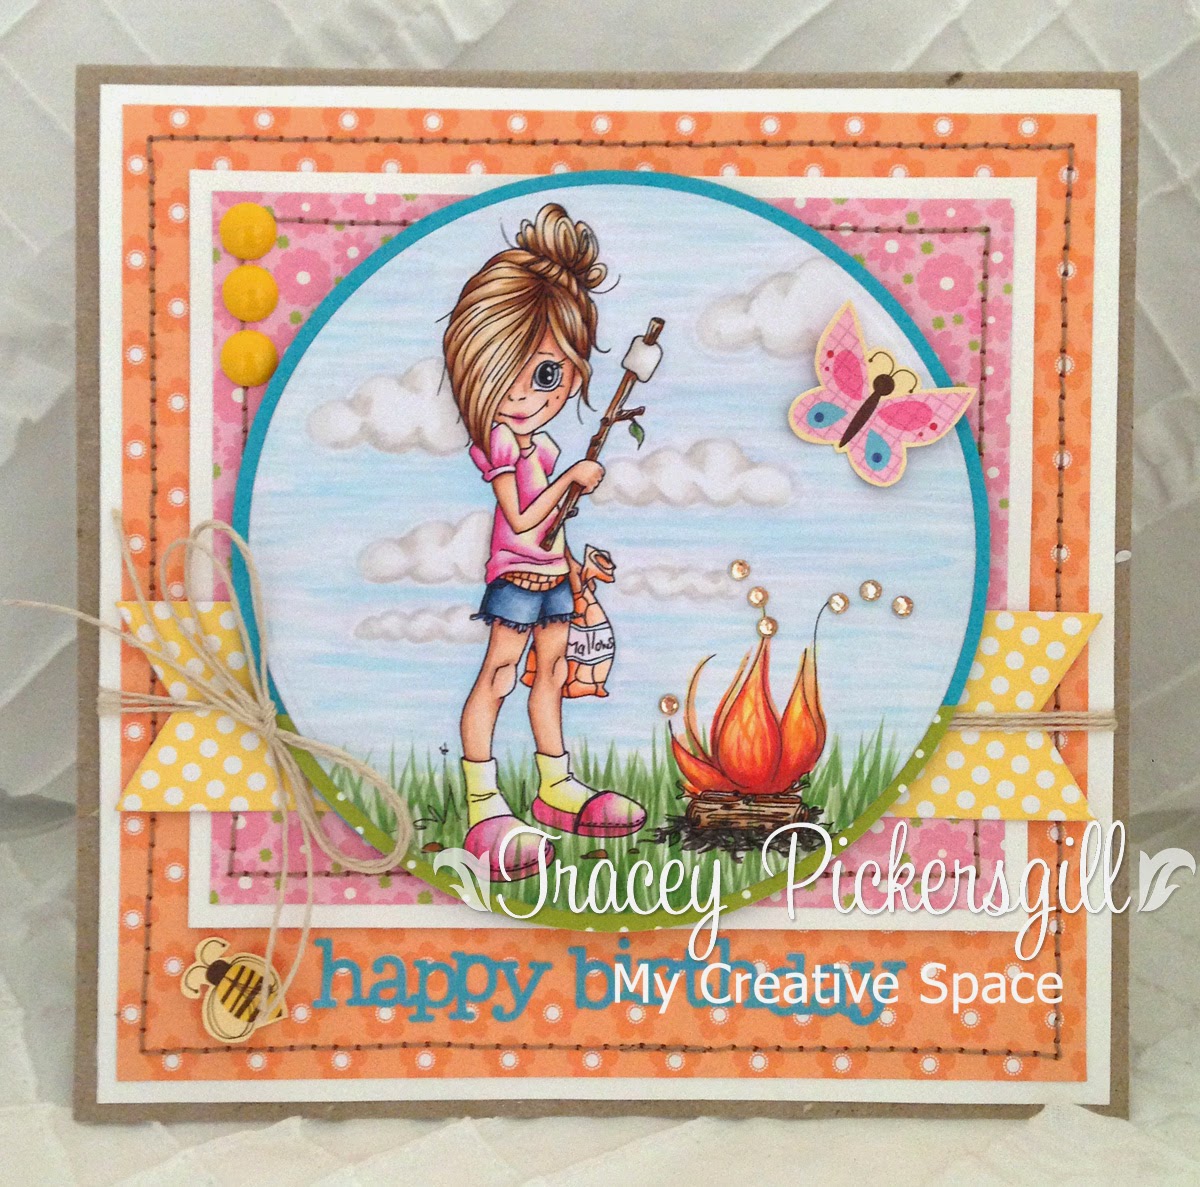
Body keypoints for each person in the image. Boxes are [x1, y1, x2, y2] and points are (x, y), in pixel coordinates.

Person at [443, 202, 646, 880]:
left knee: (553, 673)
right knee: (501, 674)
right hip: (516, 577)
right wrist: (572, 480)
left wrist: (574, 555)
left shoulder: (543, 443)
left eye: (547, 375)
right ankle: (483, 805)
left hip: (554, 575)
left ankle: (556, 787)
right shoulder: (500, 441)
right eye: (504, 374)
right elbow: (523, 518)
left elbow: (551, 528)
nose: (526, 395)